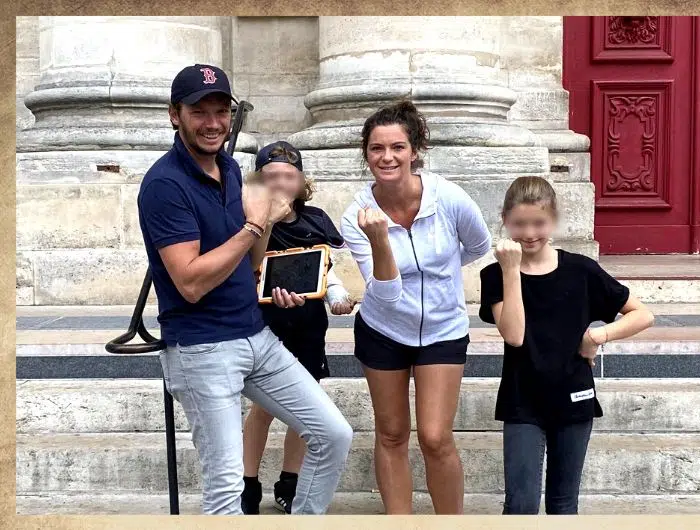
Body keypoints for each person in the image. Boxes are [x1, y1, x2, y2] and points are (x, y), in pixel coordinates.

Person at [137, 64, 352, 515]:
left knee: (333, 434)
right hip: (202, 347)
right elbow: (191, 282)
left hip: (255, 334)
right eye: (199, 111)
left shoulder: (232, 168)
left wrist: (267, 224)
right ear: (175, 114)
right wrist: (254, 225)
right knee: (226, 491)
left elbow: (251, 264)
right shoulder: (163, 185)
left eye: (222, 111)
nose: (213, 123)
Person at [340, 100, 492, 514]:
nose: (387, 157)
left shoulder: (449, 197)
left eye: (397, 147)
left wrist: (440, 273)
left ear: (414, 150)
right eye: (376, 148)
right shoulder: (356, 215)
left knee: (435, 436)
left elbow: (478, 244)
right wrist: (379, 239)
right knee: (391, 433)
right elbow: (386, 293)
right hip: (383, 330)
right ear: (366, 153)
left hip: (442, 329)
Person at [478, 176, 655, 515]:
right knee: (521, 504)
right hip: (522, 398)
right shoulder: (494, 275)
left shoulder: (580, 269)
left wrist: (597, 337)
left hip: (573, 396)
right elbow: (514, 335)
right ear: (504, 220)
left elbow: (643, 315)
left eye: (539, 223)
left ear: (554, 220)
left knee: (563, 504)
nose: (529, 233)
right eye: (519, 224)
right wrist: (511, 271)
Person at [240, 141, 356, 515]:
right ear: (258, 181)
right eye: (271, 176)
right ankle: (247, 482)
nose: (280, 183)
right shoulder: (246, 220)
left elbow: (324, 266)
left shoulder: (316, 219)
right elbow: (246, 264)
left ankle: (290, 481)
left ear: (302, 181)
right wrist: (266, 220)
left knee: (306, 409)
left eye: (289, 176)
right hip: (266, 325)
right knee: (262, 408)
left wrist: (337, 295)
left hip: (307, 326)